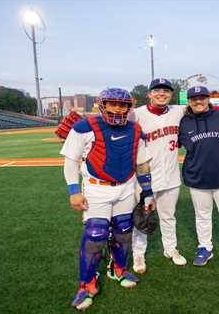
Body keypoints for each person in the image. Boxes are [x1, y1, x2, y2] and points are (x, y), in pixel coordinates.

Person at [60, 87, 155, 310]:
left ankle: (118, 269)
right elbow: (71, 160)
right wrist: (74, 191)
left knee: (123, 231)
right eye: (113, 103)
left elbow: (142, 163)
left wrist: (148, 192)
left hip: (126, 187)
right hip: (97, 189)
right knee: (95, 235)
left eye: (122, 105)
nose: (118, 108)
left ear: (128, 107)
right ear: (103, 104)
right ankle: (87, 283)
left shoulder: (135, 129)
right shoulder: (85, 127)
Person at [178, 86, 219, 269]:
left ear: (208, 99)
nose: (198, 101)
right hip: (197, 178)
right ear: (189, 101)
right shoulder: (183, 122)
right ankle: (205, 247)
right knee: (202, 217)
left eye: (202, 98)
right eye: (194, 99)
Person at [130, 78, 188, 273]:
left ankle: (170, 249)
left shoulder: (177, 111)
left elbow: (203, 107)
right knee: (142, 218)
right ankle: (138, 254)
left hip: (171, 177)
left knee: (168, 216)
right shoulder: (136, 115)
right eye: (157, 90)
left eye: (166, 91)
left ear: (171, 94)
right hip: (145, 178)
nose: (161, 94)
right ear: (149, 94)